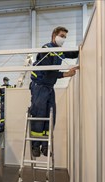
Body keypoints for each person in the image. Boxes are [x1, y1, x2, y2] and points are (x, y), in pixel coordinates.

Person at [29, 26, 79, 157]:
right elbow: (49, 71)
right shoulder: (46, 50)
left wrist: (82, 49)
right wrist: (66, 74)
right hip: (39, 86)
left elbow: (72, 53)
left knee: (51, 116)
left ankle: (45, 146)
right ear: (54, 35)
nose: (63, 39)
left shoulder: (59, 51)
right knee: (39, 115)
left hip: (49, 88)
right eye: (62, 36)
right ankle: (35, 146)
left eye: (65, 37)